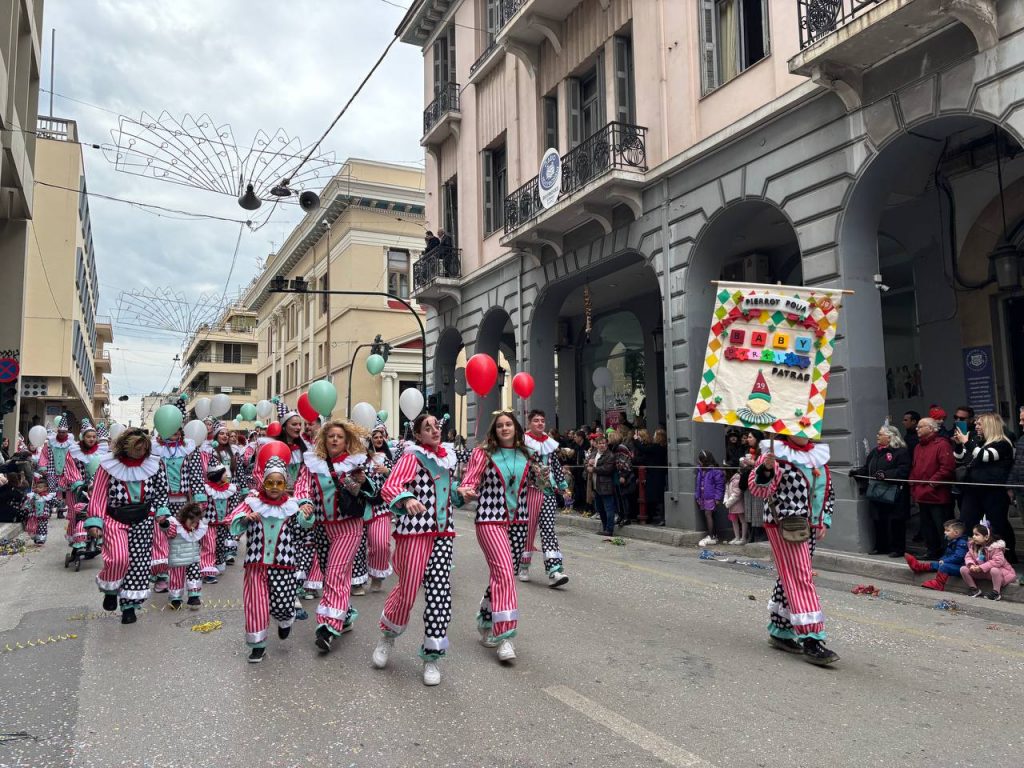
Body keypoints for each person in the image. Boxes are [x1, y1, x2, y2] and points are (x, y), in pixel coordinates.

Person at [374, 414, 458, 686]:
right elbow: (390, 486)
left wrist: (461, 492)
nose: (435, 430)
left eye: (436, 426)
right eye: (428, 428)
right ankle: (388, 636)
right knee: (408, 591)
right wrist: (407, 497)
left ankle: (432, 656)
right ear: (418, 435)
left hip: (443, 534)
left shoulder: (448, 458)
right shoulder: (412, 457)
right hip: (414, 533)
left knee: (439, 593)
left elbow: (448, 492)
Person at [749, 435, 839, 666]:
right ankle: (811, 638)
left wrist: (823, 520)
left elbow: (827, 491)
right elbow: (758, 490)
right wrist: (766, 469)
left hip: (808, 526)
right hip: (785, 525)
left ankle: (781, 631)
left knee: (790, 575)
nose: (805, 431)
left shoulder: (817, 455)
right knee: (801, 577)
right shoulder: (775, 454)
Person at [458, 411, 537, 663]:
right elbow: (469, 481)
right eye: (500, 425)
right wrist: (466, 490)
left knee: (503, 576)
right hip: (490, 520)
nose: (505, 428)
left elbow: (539, 484)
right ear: (494, 430)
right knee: (503, 573)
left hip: (519, 521)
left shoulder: (527, 454)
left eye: (509, 424)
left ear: (516, 428)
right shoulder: (483, 454)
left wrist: (553, 482)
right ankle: (505, 638)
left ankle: (486, 618)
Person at [293, 419, 376, 654]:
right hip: (322, 527)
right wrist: (305, 504)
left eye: (339, 436)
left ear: (346, 440)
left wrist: (362, 481)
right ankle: (346, 615)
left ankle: (327, 627)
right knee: (335, 573)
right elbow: (302, 487)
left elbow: (372, 490)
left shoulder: (354, 463)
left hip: (348, 526)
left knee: (334, 574)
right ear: (324, 439)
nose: (335, 440)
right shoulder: (313, 462)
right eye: (331, 436)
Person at [227, 456, 316, 663]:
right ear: (263, 483)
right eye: (270, 482)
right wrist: (245, 519)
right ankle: (258, 646)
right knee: (256, 604)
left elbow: (301, 530)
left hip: (283, 566)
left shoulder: (292, 507)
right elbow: (233, 519)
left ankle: (285, 621)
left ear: (285, 484)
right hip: (256, 565)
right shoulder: (252, 503)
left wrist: (306, 516)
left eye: (279, 483)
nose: (274, 487)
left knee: (282, 606)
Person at [85, 428, 171, 625]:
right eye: (136, 448)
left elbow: (160, 493)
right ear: (125, 447)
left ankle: (129, 607)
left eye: (143, 448)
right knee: (118, 558)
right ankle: (110, 589)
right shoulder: (108, 465)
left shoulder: (155, 464)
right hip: (116, 518)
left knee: (138, 566)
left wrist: (161, 513)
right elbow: (98, 495)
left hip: (143, 519)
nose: (140, 451)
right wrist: (95, 521)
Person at [952, 412, 1015, 563]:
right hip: (974, 490)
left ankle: (1006, 556)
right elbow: (959, 457)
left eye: (980, 424)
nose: (976, 426)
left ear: (989, 426)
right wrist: (959, 443)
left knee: (998, 524)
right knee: (966, 522)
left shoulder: (1003, 444)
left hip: (993, 491)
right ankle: (965, 555)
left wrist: (967, 442)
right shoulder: (979, 442)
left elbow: (985, 456)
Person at [520, 409, 572, 587]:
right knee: (528, 531)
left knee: (549, 530)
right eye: (536, 420)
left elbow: (556, 467)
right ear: (529, 423)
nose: (540, 423)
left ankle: (554, 571)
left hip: (548, 493)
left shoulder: (549, 444)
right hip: (529, 492)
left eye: (542, 420)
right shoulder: (523, 442)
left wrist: (564, 487)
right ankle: (523, 566)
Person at [349, 422, 395, 595]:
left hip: (381, 507)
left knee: (381, 544)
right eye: (373, 436)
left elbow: (398, 480)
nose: (376, 439)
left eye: (379, 436)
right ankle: (357, 581)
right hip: (360, 508)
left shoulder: (389, 460)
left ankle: (377, 575)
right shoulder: (356, 459)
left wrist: (387, 472)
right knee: (357, 546)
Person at [853, 424, 911, 556]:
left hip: (894, 492)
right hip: (877, 491)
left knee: (896, 521)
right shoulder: (875, 451)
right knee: (879, 520)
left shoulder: (900, 452)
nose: (877, 436)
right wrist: (857, 473)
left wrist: (886, 474)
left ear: (890, 436)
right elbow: (868, 467)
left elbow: (903, 470)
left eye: (880, 434)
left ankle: (898, 549)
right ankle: (881, 547)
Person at [909, 417, 956, 559]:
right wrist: (912, 483)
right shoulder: (918, 447)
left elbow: (947, 468)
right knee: (927, 526)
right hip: (922, 494)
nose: (917, 429)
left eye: (920, 426)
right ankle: (932, 551)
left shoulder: (942, 444)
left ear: (931, 429)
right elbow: (915, 467)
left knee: (943, 527)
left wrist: (931, 483)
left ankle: (948, 553)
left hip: (937, 495)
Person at [159, 501, 207, 610]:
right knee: (176, 578)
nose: (194, 525)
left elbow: (202, 540)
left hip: (193, 558)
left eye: (196, 522)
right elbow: (168, 530)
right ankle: (175, 598)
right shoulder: (176, 526)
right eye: (192, 522)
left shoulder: (199, 528)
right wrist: (163, 524)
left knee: (195, 575)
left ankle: (194, 596)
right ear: (185, 517)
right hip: (178, 559)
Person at [200, 458, 240, 582]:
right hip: (210, 524)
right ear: (217, 475)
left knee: (219, 546)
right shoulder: (206, 489)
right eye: (224, 473)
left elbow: (234, 506)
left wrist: (231, 518)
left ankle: (217, 565)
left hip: (223, 524)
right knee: (209, 546)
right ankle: (207, 571)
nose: (226, 475)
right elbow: (202, 505)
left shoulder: (230, 489)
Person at [905, 519, 968, 591]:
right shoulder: (954, 541)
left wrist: (945, 561)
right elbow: (949, 554)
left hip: (960, 567)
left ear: (956, 532)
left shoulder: (962, 543)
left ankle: (939, 584)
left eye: (947, 531)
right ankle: (918, 567)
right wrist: (942, 559)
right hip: (955, 564)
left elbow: (959, 557)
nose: (945, 532)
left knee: (944, 567)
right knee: (936, 564)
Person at [960, 522, 1016, 600]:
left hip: (1001, 573)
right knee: (963, 569)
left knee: (994, 570)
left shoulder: (995, 547)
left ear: (986, 537)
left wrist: (981, 567)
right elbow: (968, 557)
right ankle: (974, 589)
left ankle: (996, 593)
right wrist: (971, 565)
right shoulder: (973, 546)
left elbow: (997, 561)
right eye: (973, 534)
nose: (973, 537)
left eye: (977, 535)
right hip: (982, 572)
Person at [587, 432, 617, 536]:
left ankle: (609, 530)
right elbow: (586, 465)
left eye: (603, 443)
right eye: (599, 443)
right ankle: (605, 528)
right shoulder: (594, 453)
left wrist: (593, 468)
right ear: (596, 444)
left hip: (606, 486)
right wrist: (588, 463)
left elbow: (607, 469)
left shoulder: (610, 455)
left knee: (609, 509)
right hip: (596, 486)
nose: (601, 445)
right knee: (600, 509)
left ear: (607, 444)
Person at [695, 450, 725, 548]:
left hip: (711, 497)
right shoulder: (700, 470)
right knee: (709, 515)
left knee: (708, 514)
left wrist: (717, 498)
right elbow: (698, 484)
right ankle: (713, 535)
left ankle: (711, 535)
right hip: (703, 496)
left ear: (705, 460)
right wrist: (698, 496)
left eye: (701, 460)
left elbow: (719, 486)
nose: (699, 462)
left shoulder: (715, 471)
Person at [22, 473, 62, 544]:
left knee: (42, 526)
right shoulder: (33, 495)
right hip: (34, 515)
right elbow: (27, 504)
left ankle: (41, 539)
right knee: (34, 526)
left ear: (46, 488)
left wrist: (59, 503)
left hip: (43, 515)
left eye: (40, 487)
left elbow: (55, 502)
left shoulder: (47, 497)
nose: (38, 488)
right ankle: (35, 537)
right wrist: (29, 503)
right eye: (37, 487)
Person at [609, 431, 637, 526]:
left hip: (624, 474)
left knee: (624, 497)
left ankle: (626, 516)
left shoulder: (621, 448)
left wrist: (623, 475)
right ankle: (621, 515)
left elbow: (626, 462)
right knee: (618, 496)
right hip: (617, 474)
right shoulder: (614, 448)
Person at [644, 429, 668, 526]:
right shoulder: (663, 447)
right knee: (658, 496)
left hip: (655, 475)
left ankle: (660, 517)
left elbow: (644, 450)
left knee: (657, 496)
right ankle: (659, 516)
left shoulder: (657, 447)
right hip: (659, 474)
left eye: (654, 435)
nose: (653, 436)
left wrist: (636, 441)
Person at [568, 430, 590, 514]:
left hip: (584, 470)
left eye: (575, 437)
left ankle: (586, 506)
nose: (574, 438)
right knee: (578, 488)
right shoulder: (576, 446)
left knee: (584, 489)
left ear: (580, 437)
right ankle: (579, 505)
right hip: (577, 470)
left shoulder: (586, 446)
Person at [723, 470, 746, 545]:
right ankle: (737, 537)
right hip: (732, 505)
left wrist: (728, 502)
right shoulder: (729, 481)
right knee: (734, 521)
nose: (724, 472)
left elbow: (737, 493)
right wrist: (726, 501)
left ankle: (743, 538)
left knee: (742, 520)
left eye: (725, 470)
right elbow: (726, 492)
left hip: (738, 504)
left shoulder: (736, 480)